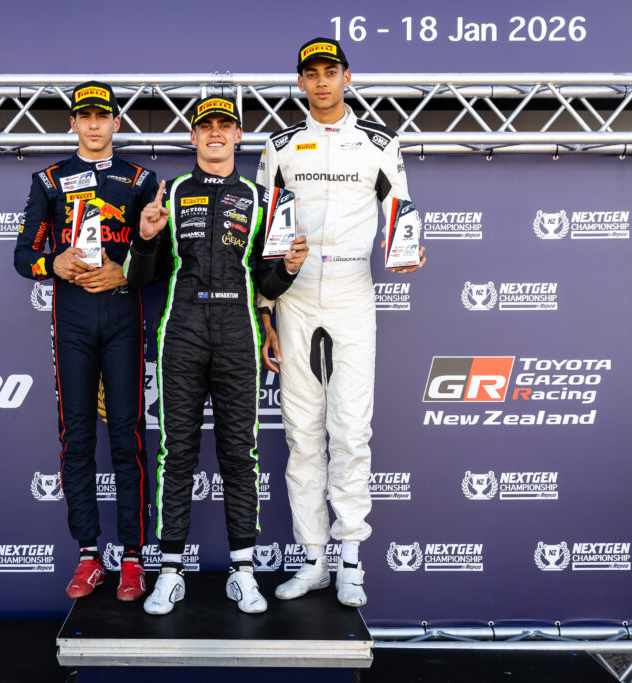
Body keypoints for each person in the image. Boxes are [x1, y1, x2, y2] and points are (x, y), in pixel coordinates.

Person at [256, 38, 426, 607]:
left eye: (331, 72)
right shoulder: (280, 146)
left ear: (347, 78)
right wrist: (266, 311)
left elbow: (400, 212)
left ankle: (351, 559)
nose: (322, 82)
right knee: (301, 435)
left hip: (354, 289)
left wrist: (408, 249)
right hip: (295, 294)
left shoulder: (380, 142)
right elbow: (264, 238)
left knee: (351, 431)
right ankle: (313, 560)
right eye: (312, 74)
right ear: (301, 83)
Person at [124, 96, 309, 615]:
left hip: (237, 332)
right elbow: (139, 279)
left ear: (238, 136)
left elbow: (267, 282)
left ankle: (243, 573)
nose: (215, 133)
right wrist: (145, 238)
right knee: (176, 452)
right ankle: (170, 573)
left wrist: (289, 268)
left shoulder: (261, 197)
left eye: (225, 125)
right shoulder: (169, 193)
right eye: (205, 126)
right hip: (181, 330)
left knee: (239, 454)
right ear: (193, 136)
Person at [13, 81, 159, 602]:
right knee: (76, 438)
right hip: (72, 321)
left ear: (117, 122)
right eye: (85, 116)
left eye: (103, 116)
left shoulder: (140, 180)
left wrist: (126, 272)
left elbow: (161, 259)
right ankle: (88, 555)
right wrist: (52, 262)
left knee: (127, 437)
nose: (94, 124)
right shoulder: (49, 180)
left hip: (122, 317)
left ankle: (134, 559)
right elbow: (23, 256)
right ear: (72, 123)